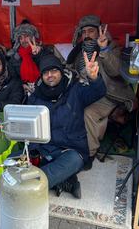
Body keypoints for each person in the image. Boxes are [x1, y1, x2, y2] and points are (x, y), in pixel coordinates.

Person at [27, 54, 107, 198]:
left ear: (61, 72)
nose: (50, 75)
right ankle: (65, 181)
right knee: (15, 161)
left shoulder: (75, 89)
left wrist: (94, 78)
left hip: (70, 149)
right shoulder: (35, 97)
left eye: (54, 71)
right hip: (44, 149)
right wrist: (33, 152)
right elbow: (30, 129)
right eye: (45, 73)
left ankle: (25, 191)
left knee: (73, 161)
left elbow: (98, 92)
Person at [67, 15, 136, 158]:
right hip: (86, 91)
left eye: (91, 31)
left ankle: (89, 153)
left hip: (109, 94)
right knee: (66, 107)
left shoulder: (111, 47)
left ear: (99, 32)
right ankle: (70, 146)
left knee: (88, 113)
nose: (87, 35)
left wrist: (104, 50)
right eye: (84, 32)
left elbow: (115, 71)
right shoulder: (79, 52)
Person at [7, 21, 65, 95]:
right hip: (23, 92)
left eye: (26, 36)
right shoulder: (15, 57)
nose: (23, 40)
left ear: (33, 37)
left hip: (44, 90)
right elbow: (12, 76)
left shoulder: (45, 51)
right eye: (20, 38)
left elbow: (51, 67)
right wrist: (21, 85)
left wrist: (38, 54)